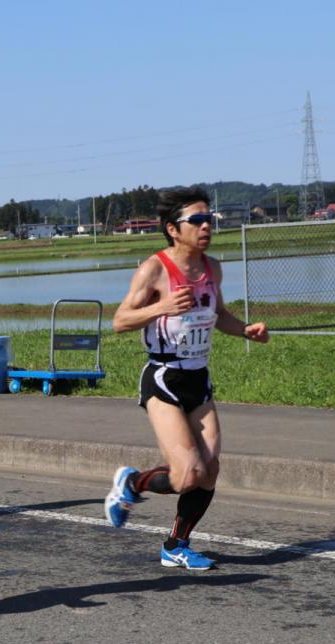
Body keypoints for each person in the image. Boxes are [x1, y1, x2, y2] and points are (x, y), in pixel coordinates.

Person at [103, 186, 269, 570]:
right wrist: (161, 306)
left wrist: (246, 331)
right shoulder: (154, 269)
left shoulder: (213, 268)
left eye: (208, 219)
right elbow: (120, 321)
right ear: (173, 229)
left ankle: (176, 545)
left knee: (209, 471)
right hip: (164, 377)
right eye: (196, 220)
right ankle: (131, 484)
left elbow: (219, 314)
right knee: (187, 474)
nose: (206, 226)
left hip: (198, 377)